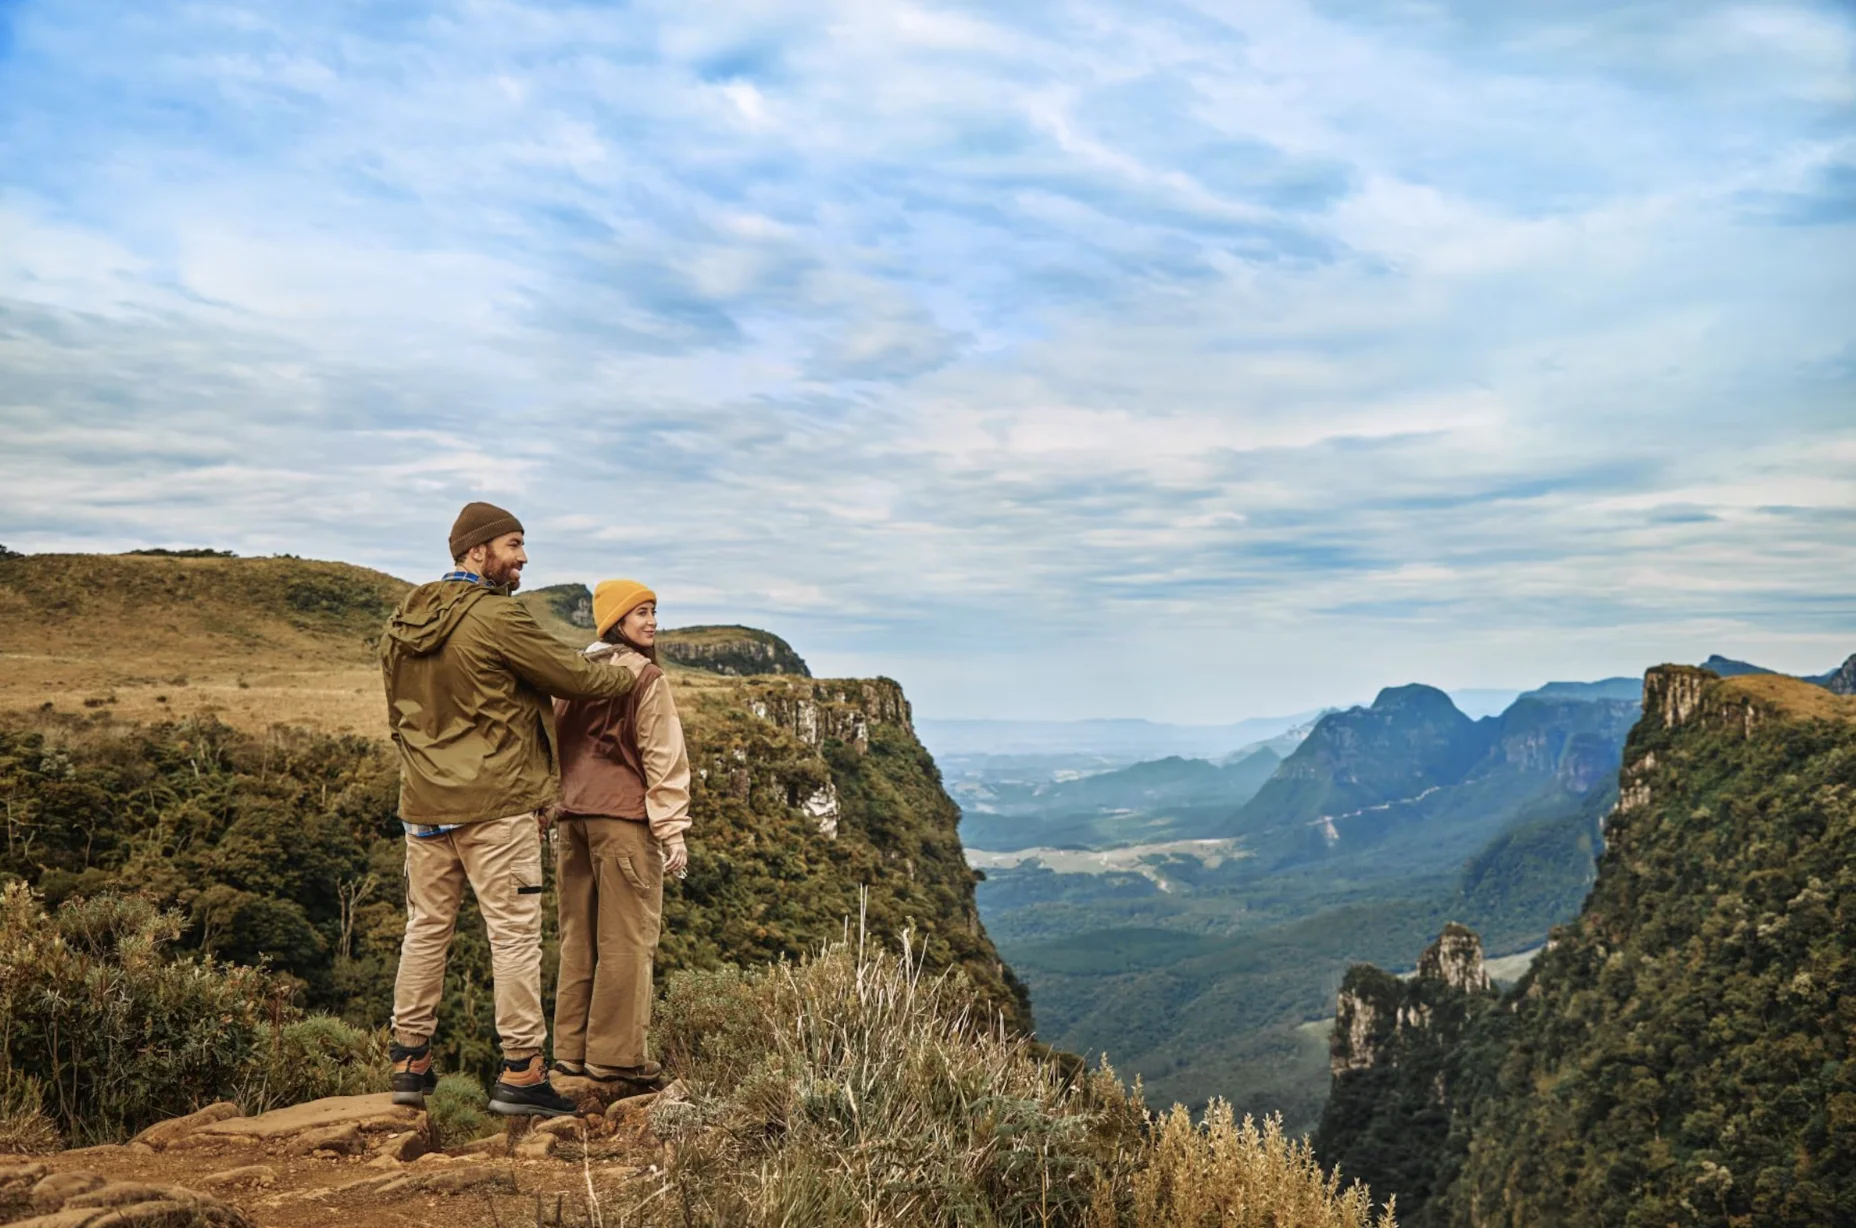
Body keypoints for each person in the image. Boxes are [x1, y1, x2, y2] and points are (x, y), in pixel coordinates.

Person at [380, 501, 644, 1118]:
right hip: (495, 806)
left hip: (423, 803)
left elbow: (398, 715)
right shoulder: (497, 616)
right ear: (477, 551)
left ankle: (409, 1065)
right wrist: (628, 672)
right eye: (514, 544)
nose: (524, 557)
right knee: (514, 936)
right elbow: (573, 678)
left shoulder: (404, 619)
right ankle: (523, 1073)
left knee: (424, 931)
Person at [549, 578, 691, 1088]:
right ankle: (616, 1058)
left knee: (578, 936)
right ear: (616, 622)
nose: (651, 621)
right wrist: (672, 832)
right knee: (627, 938)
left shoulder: (575, 671)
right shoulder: (644, 677)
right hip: (624, 824)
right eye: (640, 613)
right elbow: (662, 757)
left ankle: (568, 1051)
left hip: (570, 820)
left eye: (654, 610)